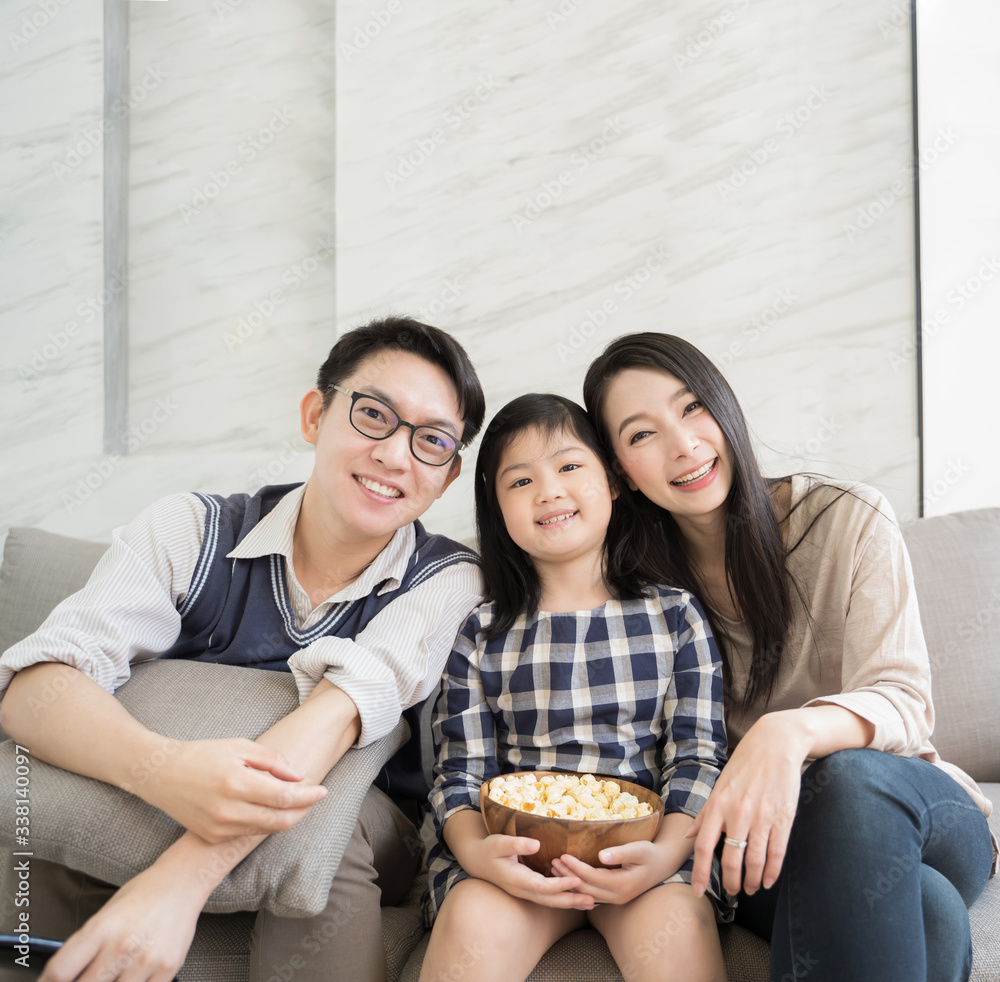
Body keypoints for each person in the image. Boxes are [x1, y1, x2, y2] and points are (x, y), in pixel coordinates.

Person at [0, 317, 487, 982]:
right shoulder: (189, 530)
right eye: (374, 415)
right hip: (164, 791)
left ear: (449, 475)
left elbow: (343, 709)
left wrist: (176, 885)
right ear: (316, 414)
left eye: (432, 441)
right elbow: (37, 684)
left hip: (371, 826)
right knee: (60, 790)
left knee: (324, 823)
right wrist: (163, 771)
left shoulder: (449, 578)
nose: (396, 456)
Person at [583, 332, 997, 982]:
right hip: (765, 844)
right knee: (931, 914)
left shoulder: (847, 520)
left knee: (849, 779)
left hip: (912, 805)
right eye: (641, 434)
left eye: (693, 408)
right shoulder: (630, 587)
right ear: (617, 472)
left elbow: (904, 701)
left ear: (725, 406)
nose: (684, 444)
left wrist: (791, 731)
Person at [418, 393, 731, 982]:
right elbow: (458, 772)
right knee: (472, 921)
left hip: (643, 859)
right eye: (519, 481)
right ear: (496, 509)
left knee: (678, 924)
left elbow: (698, 756)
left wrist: (662, 854)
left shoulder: (674, 616)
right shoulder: (481, 632)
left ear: (612, 482)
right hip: (520, 857)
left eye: (568, 467)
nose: (549, 491)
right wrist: (477, 855)